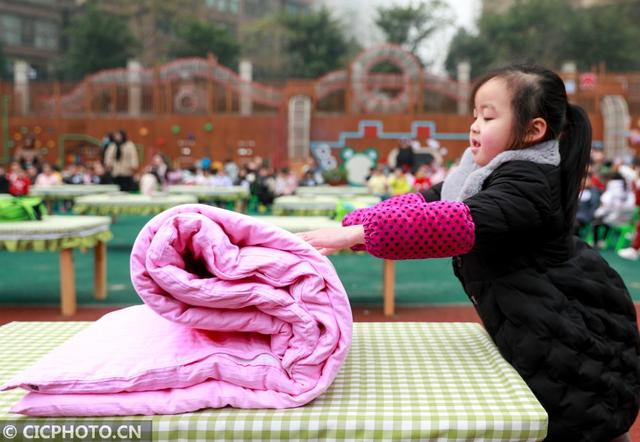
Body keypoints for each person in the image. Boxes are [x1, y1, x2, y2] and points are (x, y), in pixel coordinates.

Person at [298, 65, 640, 442]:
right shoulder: (482, 174)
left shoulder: (527, 183)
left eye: (489, 116)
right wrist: (355, 224)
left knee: (574, 418)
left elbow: (453, 222)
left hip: (564, 325)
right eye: (475, 115)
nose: (475, 125)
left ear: (533, 130)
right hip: (532, 317)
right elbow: (425, 201)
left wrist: (359, 233)